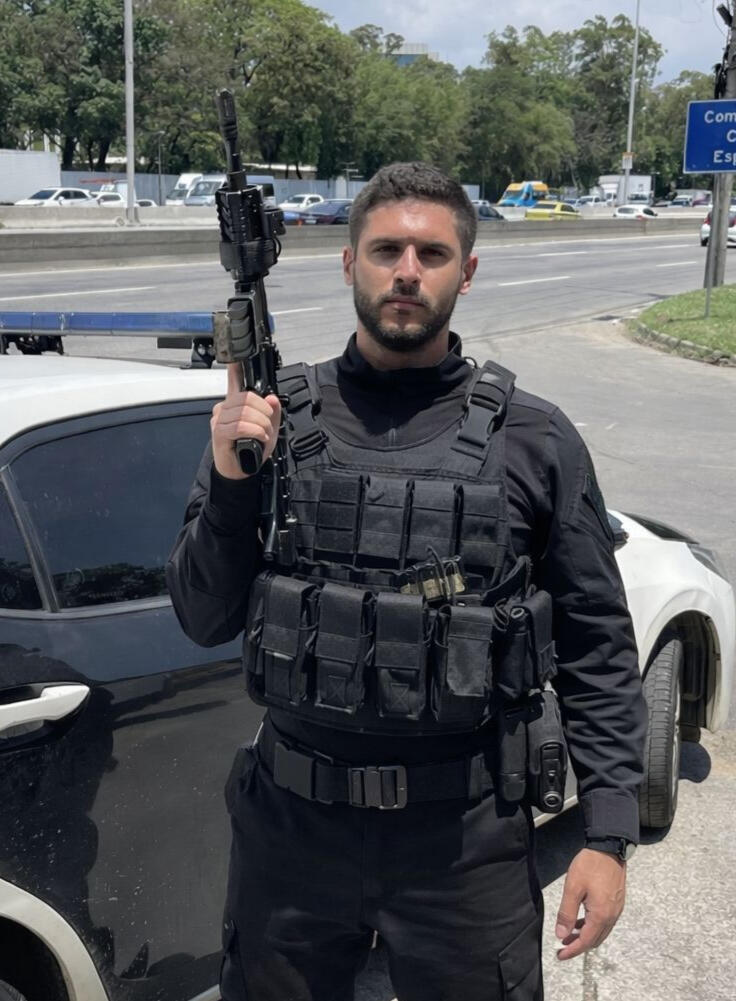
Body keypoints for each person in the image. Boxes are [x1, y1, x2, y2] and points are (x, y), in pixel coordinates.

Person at [166, 162, 647, 1001]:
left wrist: (607, 836)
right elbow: (202, 615)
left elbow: (597, 646)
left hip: (464, 843)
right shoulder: (267, 421)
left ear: (467, 270)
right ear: (349, 262)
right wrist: (233, 479)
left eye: (432, 253)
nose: (407, 271)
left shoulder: (534, 438)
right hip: (292, 832)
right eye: (386, 249)